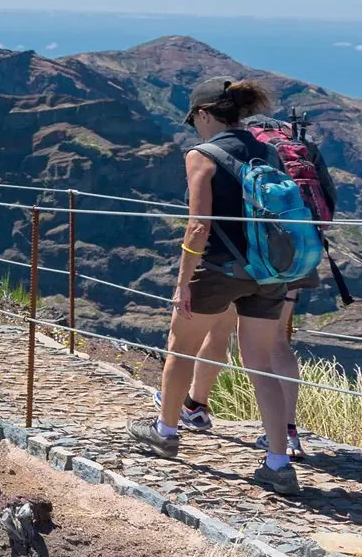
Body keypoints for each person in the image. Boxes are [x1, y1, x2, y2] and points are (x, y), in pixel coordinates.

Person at [129, 76, 300, 495]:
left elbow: (198, 226)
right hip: (268, 270)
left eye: (195, 120)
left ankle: (165, 431)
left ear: (205, 114)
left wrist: (184, 282)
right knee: (260, 361)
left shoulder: (201, 155)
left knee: (180, 345)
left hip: (219, 268)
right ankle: (278, 464)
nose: (195, 128)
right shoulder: (269, 151)